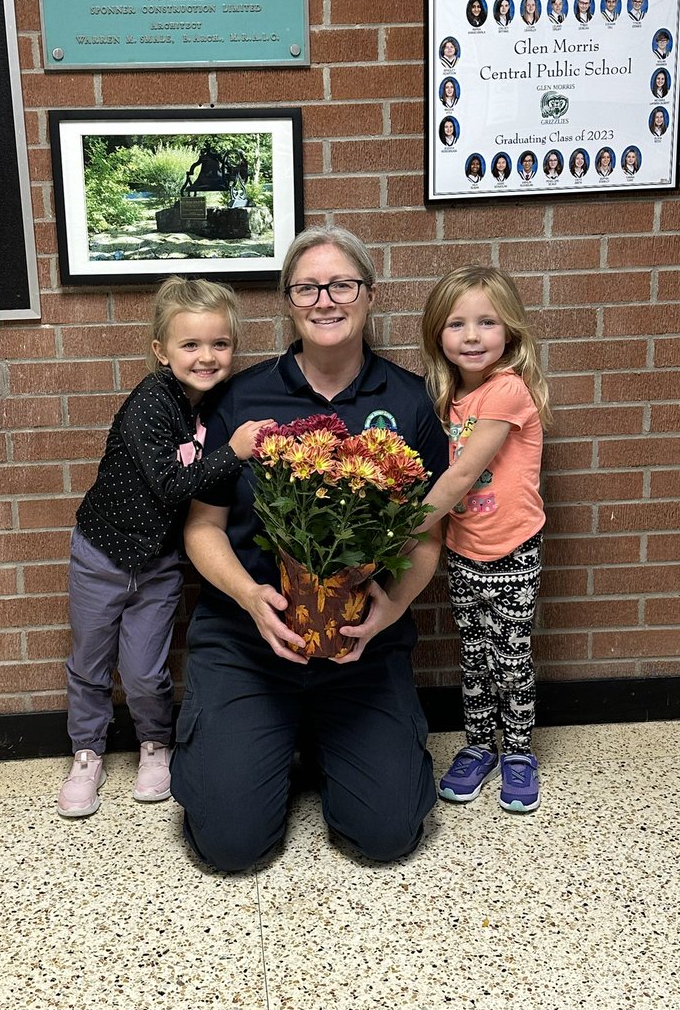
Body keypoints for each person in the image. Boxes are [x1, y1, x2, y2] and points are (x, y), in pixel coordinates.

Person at [171, 225, 449, 871]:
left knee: (386, 837)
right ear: (288, 303)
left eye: (342, 284)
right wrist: (248, 596)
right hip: (250, 641)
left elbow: (430, 535)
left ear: (370, 296)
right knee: (231, 847)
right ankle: (268, 734)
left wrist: (392, 610)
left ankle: (320, 736)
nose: (325, 300)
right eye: (306, 288)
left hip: (359, 645)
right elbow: (202, 528)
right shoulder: (242, 397)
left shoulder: (407, 403)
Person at [56, 278, 271, 819]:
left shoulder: (218, 402)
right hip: (102, 553)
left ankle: (156, 744)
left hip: (157, 563)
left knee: (148, 671)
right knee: (90, 662)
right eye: (190, 345)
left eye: (219, 344)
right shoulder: (150, 403)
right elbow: (172, 486)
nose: (206, 357)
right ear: (162, 351)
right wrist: (236, 451)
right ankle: (87, 751)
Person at [419, 266, 551, 813]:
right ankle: (479, 748)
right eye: (456, 324)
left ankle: (518, 754)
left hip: (514, 548)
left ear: (510, 332)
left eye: (486, 323)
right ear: (438, 335)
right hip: (464, 549)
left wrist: (397, 533)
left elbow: (459, 477)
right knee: (473, 657)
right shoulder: (451, 398)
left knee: (511, 659)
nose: (471, 336)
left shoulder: (507, 391)